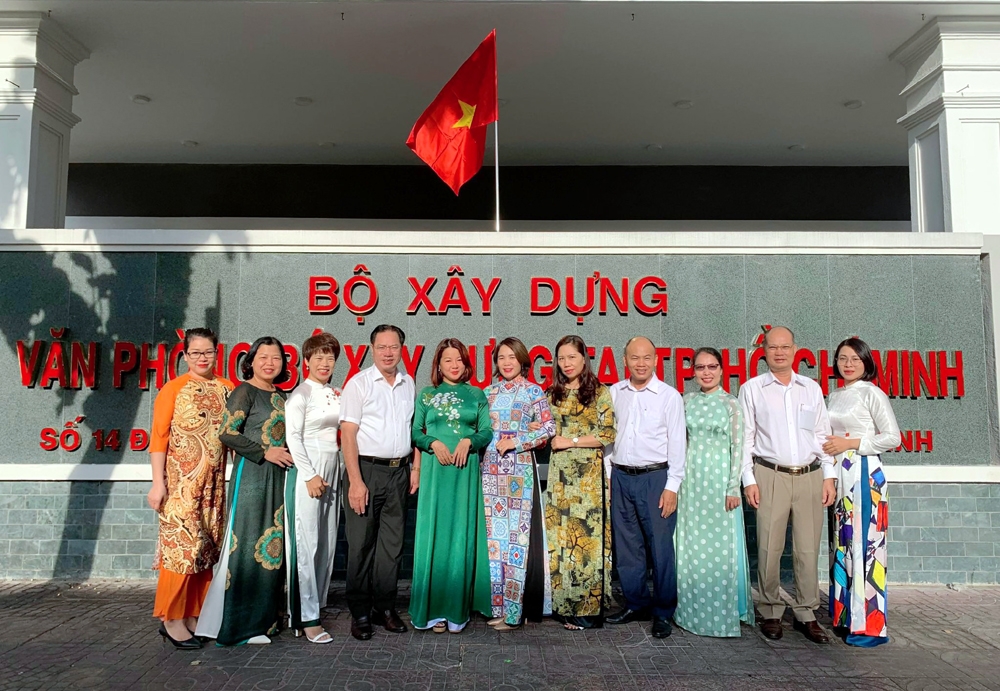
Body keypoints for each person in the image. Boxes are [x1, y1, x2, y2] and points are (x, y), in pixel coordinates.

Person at [739, 326, 836, 644]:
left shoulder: (810, 388)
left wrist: (829, 475)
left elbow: (822, 435)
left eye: (785, 347)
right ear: (763, 352)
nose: (779, 352)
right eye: (772, 347)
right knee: (768, 546)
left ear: (795, 350)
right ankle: (770, 610)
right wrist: (748, 479)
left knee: (808, 548)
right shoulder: (752, 389)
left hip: (810, 475)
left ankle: (806, 612)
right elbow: (745, 438)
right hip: (770, 474)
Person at [196, 336, 294, 646]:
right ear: (250, 361)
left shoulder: (282, 396)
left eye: (276, 357)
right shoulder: (244, 392)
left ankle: (265, 622)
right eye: (263, 356)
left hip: (279, 478)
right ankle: (239, 627)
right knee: (249, 546)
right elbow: (227, 433)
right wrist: (265, 452)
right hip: (253, 475)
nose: (269, 363)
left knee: (273, 547)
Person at [148, 328, 234, 650]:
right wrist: (158, 483)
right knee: (180, 551)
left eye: (208, 352)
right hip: (180, 486)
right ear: (185, 356)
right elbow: (158, 440)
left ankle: (195, 612)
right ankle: (171, 618)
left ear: (216, 353)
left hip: (213, 487)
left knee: (204, 550)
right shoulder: (173, 390)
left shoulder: (226, 389)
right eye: (195, 353)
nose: (202, 358)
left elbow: (234, 435)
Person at [409, 338, 494, 634]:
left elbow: (486, 431)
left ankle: (455, 609)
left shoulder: (476, 395)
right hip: (434, 473)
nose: (454, 365)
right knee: (434, 534)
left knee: (460, 533)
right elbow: (415, 432)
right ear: (438, 365)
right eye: (447, 360)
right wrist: (432, 442)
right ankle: (431, 611)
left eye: (459, 360)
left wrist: (469, 441)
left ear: (466, 364)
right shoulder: (427, 395)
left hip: (464, 472)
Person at [340, 324, 417, 641]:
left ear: (402, 349)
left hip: (400, 472)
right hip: (366, 472)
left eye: (394, 346)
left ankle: (384, 608)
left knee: (392, 547)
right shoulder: (358, 384)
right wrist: (356, 482)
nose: (388, 352)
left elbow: (413, 429)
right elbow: (347, 435)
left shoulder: (408, 383)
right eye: (382, 346)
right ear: (372, 349)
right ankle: (359, 613)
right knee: (360, 546)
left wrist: (416, 468)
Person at [606, 336, 686, 639]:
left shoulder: (669, 396)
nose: (641, 363)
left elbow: (678, 443)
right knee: (627, 546)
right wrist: (608, 474)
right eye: (634, 357)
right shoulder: (615, 393)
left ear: (656, 360)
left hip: (656, 479)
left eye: (647, 358)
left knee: (661, 548)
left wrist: (672, 486)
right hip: (622, 476)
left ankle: (663, 611)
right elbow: (609, 437)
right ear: (624, 360)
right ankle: (635, 602)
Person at [825, 337, 900, 647]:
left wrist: (851, 443)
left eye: (855, 358)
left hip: (866, 476)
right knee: (843, 547)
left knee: (866, 548)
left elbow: (892, 438)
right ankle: (846, 617)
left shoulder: (873, 394)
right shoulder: (834, 395)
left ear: (867, 362)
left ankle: (869, 625)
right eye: (843, 358)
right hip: (841, 478)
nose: (849, 364)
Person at [674, 347, 754, 637]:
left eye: (711, 367)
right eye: (700, 367)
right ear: (693, 371)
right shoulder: (686, 401)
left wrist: (734, 486)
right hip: (691, 482)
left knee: (720, 549)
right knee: (690, 545)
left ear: (722, 369)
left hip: (720, 481)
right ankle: (688, 609)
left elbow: (739, 447)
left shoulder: (731, 404)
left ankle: (721, 613)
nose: (706, 372)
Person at [481, 337, 555, 630]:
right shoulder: (487, 392)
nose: (507, 362)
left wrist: (519, 440)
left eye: (512, 357)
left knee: (516, 544)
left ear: (523, 361)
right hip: (489, 474)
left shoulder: (533, 392)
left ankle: (515, 613)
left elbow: (549, 428)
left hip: (519, 475)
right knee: (494, 544)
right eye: (502, 358)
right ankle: (498, 608)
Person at [544, 335, 616, 630]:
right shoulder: (553, 393)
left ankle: (587, 609)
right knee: (561, 542)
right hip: (560, 477)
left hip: (588, 480)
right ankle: (564, 605)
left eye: (572, 357)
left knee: (587, 543)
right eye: (561, 358)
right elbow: (547, 430)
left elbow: (608, 434)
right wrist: (541, 429)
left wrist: (569, 440)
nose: (566, 363)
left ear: (584, 358)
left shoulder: (600, 392)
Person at [284, 332, 344, 644]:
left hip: (333, 469)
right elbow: (293, 436)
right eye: (318, 357)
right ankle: (305, 618)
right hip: (310, 470)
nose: (324, 362)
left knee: (328, 540)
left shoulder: (334, 393)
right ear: (306, 361)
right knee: (306, 544)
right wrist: (309, 474)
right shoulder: (300, 394)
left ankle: (317, 603)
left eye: (330, 357)